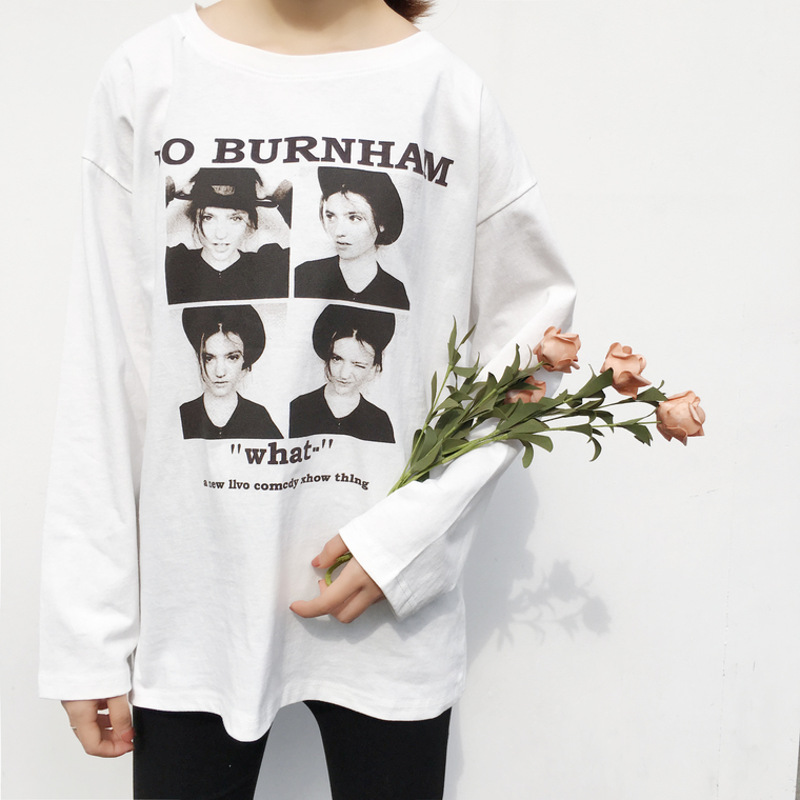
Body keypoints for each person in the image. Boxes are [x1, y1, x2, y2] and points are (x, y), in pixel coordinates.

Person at [39, 1, 576, 798]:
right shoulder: (150, 78)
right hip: (193, 614)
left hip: (386, 618)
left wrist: (404, 543)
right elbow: (109, 362)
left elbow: (534, 342)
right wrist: (88, 634)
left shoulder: (447, 98)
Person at [166, 167, 291, 303]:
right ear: (195, 219)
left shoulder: (270, 267)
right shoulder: (175, 264)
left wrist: (278, 191)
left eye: (235, 219)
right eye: (208, 218)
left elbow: (306, 242)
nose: (220, 234)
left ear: (250, 222)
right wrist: (171, 185)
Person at [295, 166, 410, 309]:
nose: (338, 231)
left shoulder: (395, 291)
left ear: (381, 223)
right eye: (331, 216)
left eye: (354, 218)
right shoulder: (305, 274)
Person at [290, 304, 396, 442]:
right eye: (337, 359)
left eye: (358, 365)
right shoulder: (299, 408)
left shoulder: (379, 421)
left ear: (373, 369)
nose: (344, 374)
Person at [180, 305, 282, 440]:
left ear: (245, 363)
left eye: (232, 358)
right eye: (209, 358)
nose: (220, 372)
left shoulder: (258, 417)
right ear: (200, 360)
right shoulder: (183, 414)